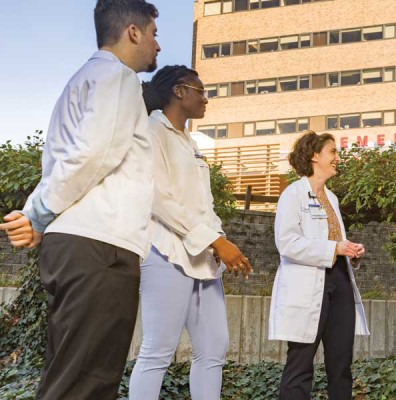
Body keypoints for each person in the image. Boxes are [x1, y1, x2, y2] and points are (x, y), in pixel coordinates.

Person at [0, 1, 160, 398]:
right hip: (99, 246)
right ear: (133, 32)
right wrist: (37, 214)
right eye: (154, 34)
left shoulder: (82, 81)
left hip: (77, 245)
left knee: (71, 378)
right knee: (85, 384)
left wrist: (39, 215)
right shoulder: (118, 77)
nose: (157, 45)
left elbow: (67, 161)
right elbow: (94, 154)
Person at [127, 65, 252, 399]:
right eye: (201, 91)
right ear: (179, 91)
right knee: (158, 350)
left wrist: (218, 240)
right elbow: (157, 198)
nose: (206, 99)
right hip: (165, 252)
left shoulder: (190, 142)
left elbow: (203, 204)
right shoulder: (150, 131)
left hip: (204, 259)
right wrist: (214, 240)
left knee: (213, 349)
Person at [270, 131, 370, 400]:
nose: (338, 158)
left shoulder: (332, 198)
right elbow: (287, 243)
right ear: (315, 156)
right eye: (333, 152)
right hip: (307, 284)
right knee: (300, 363)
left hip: (339, 280)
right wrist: (334, 248)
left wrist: (351, 251)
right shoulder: (293, 194)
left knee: (341, 363)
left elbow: (335, 239)